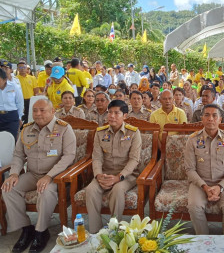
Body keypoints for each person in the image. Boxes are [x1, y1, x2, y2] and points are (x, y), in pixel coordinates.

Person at [1, 99, 76, 252]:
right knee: (8, 189)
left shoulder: (64, 128)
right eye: (35, 110)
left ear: (52, 111)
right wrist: (14, 173)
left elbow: (69, 156)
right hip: (33, 174)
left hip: (56, 177)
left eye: (42, 110)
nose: (38, 114)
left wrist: (49, 176)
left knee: (44, 191)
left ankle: (41, 232)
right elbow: (18, 155)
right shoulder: (26, 129)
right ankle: (26, 229)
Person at [85, 100, 141, 233]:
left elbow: (134, 160)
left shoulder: (133, 133)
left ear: (125, 116)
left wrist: (118, 177)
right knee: (91, 190)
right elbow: (97, 157)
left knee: (117, 190)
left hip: (127, 175)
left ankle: (114, 230)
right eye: (110, 112)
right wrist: (98, 175)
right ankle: (95, 232)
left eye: (117, 113)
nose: (112, 116)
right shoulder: (100, 132)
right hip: (104, 173)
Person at [185, 104, 224, 235]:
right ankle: (205, 241)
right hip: (200, 183)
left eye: (214, 115)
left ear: (220, 119)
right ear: (202, 119)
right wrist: (205, 187)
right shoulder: (192, 140)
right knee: (194, 207)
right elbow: (190, 169)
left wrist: (220, 187)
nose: (211, 119)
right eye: (207, 115)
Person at [0, 68, 24, 141]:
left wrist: (19, 117)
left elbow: (19, 103)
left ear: (5, 79)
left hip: (11, 116)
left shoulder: (14, 86)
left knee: (12, 139)